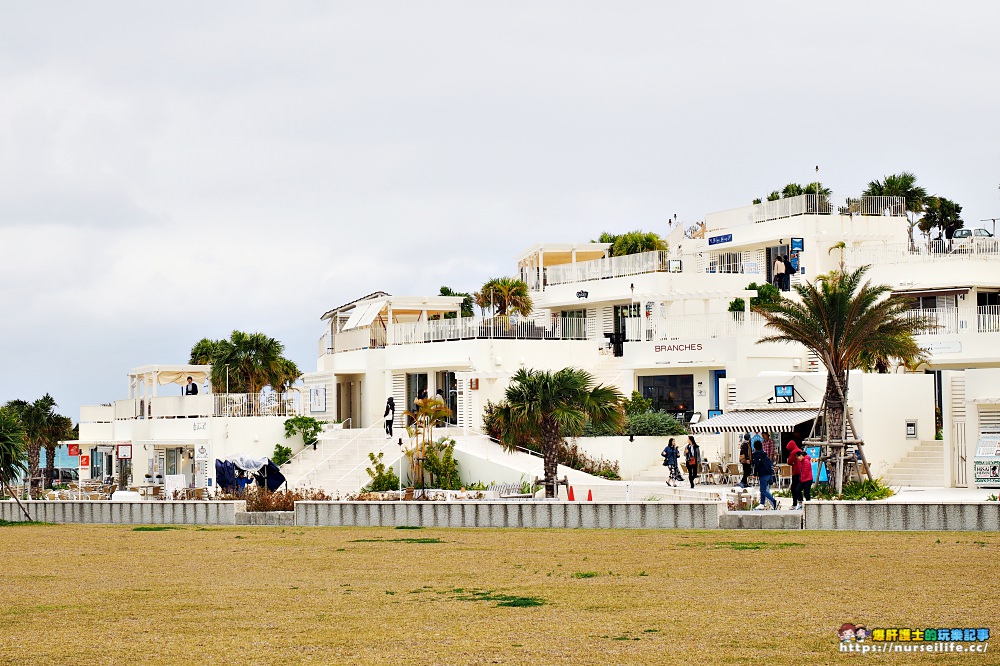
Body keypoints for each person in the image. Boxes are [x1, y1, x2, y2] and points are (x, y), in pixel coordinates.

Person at [752, 441, 778, 510]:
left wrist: (755, 474)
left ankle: (774, 501)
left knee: (763, 490)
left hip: (763, 474)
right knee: (764, 489)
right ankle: (762, 504)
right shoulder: (764, 454)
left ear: (754, 447)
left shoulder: (756, 454)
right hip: (769, 473)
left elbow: (756, 465)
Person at [786, 438, 803, 509]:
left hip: (795, 472)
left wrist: (792, 462)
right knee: (798, 488)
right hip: (801, 472)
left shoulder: (793, 452)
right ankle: (800, 502)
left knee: (794, 488)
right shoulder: (800, 450)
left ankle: (795, 504)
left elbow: (789, 462)